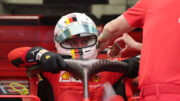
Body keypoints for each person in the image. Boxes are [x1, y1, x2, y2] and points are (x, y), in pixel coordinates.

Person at [8, 13, 139, 101]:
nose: (80, 46)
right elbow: (13, 55)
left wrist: (136, 61)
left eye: (85, 41)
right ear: (59, 43)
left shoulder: (110, 65)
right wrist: (43, 55)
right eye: (73, 42)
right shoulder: (53, 65)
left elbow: (154, 62)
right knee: (69, 97)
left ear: (95, 40)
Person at [97, 0, 180, 101]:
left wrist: (99, 41)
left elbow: (111, 29)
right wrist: (135, 45)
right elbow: (169, 51)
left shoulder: (152, 2)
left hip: (160, 94)